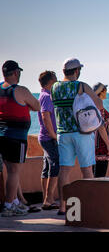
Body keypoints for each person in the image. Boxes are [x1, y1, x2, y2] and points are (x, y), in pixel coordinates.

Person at [52, 58, 109, 216]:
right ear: (76, 71)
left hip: (62, 133)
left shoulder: (55, 87)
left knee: (64, 171)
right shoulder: (80, 85)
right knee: (87, 171)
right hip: (81, 133)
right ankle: (88, 204)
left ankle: (63, 207)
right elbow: (99, 104)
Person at [0, 60, 40, 217]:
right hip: (16, 138)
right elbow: (37, 106)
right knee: (14, 171)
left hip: (2, 136)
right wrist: (26, 105)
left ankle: (15, 202)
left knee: (10, 170)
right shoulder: (21, 90)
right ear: (16, 73)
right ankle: (9, 205)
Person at [37, 71, 60, 210]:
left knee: (47, 168)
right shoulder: (46, 96)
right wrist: (53, 135)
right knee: (55, 166)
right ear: (50, 81)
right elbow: (45, 116)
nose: (57, 81)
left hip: (45, 137)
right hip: (48, 138)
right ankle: (48, 199)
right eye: (55, 79)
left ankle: (46, 199)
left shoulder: (45, 95)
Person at [92, 82, 109, 178]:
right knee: (100, 176)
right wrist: (108, 145)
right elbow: (101, 127)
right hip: (101, 144)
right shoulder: (99, 105)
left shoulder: (91, 105)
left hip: (92, 144)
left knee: (94, 175)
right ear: (102, 92)